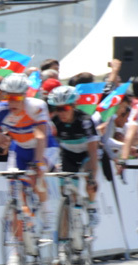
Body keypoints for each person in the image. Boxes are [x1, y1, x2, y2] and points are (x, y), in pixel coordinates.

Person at [0, 73, 52, 265]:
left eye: (17, 97)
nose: (13, 102)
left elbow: (42, 136)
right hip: (18, 149)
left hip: (41, 148)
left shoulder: (36, 107)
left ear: (25, 95)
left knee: (37, 180)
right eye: (9, 96)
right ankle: (17, 252)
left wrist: (38, 163)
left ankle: (46, 214)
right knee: (16, 197)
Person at [47, 86, 100, 226]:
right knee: (65, 189)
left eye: (65, 108)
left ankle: (92, 206)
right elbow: (52, 146)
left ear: (73, 106)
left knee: (90, 181)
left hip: (86, 155)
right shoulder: (55, 123)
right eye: (58, 109)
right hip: (68, 154)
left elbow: (93, 152)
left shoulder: (85, 121)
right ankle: (73, 220)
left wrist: (93, 177)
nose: (61, 113)